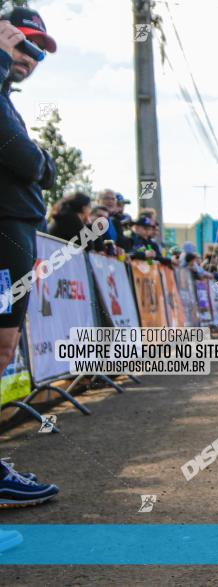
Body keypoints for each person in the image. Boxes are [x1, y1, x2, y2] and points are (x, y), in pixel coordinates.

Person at [0, 6, 61, 508]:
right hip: (3, 231)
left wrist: (37, 161)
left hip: (14, 231)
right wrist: (36, 160)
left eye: (38, 51)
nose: (32, 57)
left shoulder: (6, 98)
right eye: (24, 44)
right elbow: (27, 160)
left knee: (3, 348)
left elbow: (41, 165)